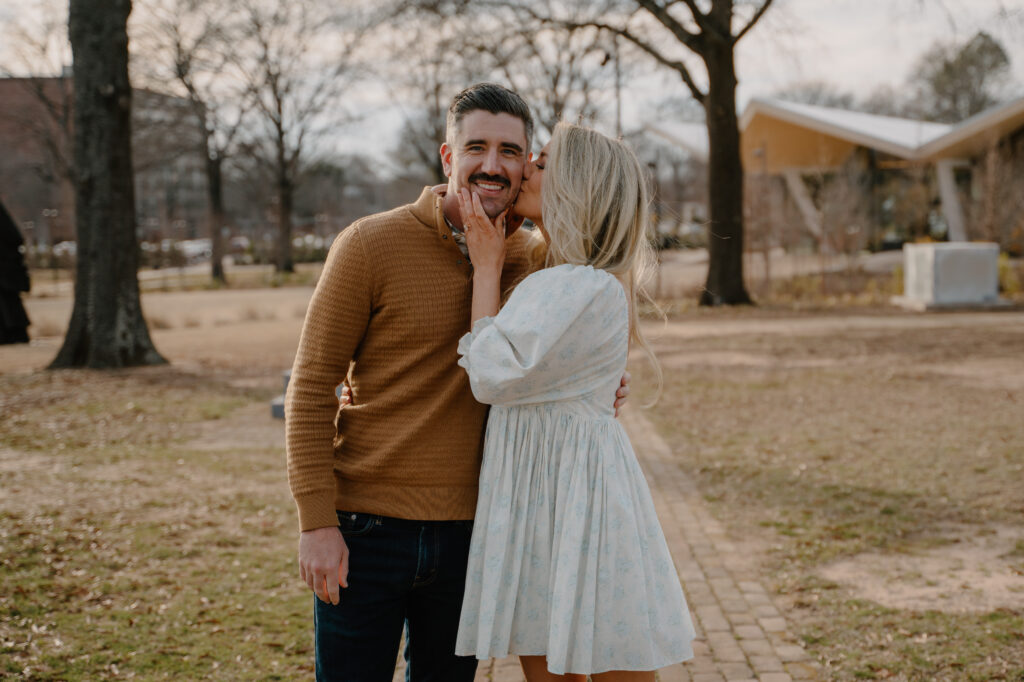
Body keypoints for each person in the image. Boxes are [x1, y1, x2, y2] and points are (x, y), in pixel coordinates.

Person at [285, 84, 629, 682]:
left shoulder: (535, 262)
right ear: (449, 158)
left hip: (476, 532)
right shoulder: (369, 244)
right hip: (367, 529)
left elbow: (554, 365)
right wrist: (317, 523)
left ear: (526, 166)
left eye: (511, 152)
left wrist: (595, 388)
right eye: (476, 147)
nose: (493, 166)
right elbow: (312, 386)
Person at [454, 123, 696, 681]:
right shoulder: (568, 278)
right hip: (553, 488)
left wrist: (485, 267)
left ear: (576, 187)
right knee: (560, 665)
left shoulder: (577, 284)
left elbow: (490, 375)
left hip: (566, 494)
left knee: (601, 663)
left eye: (542, 164)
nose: (526, 171)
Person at [0, 199, 31, 345]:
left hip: (6, 269)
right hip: (7, 269)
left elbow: (13, 238)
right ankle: (13, 335)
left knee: (9, 304)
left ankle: (14, 335)